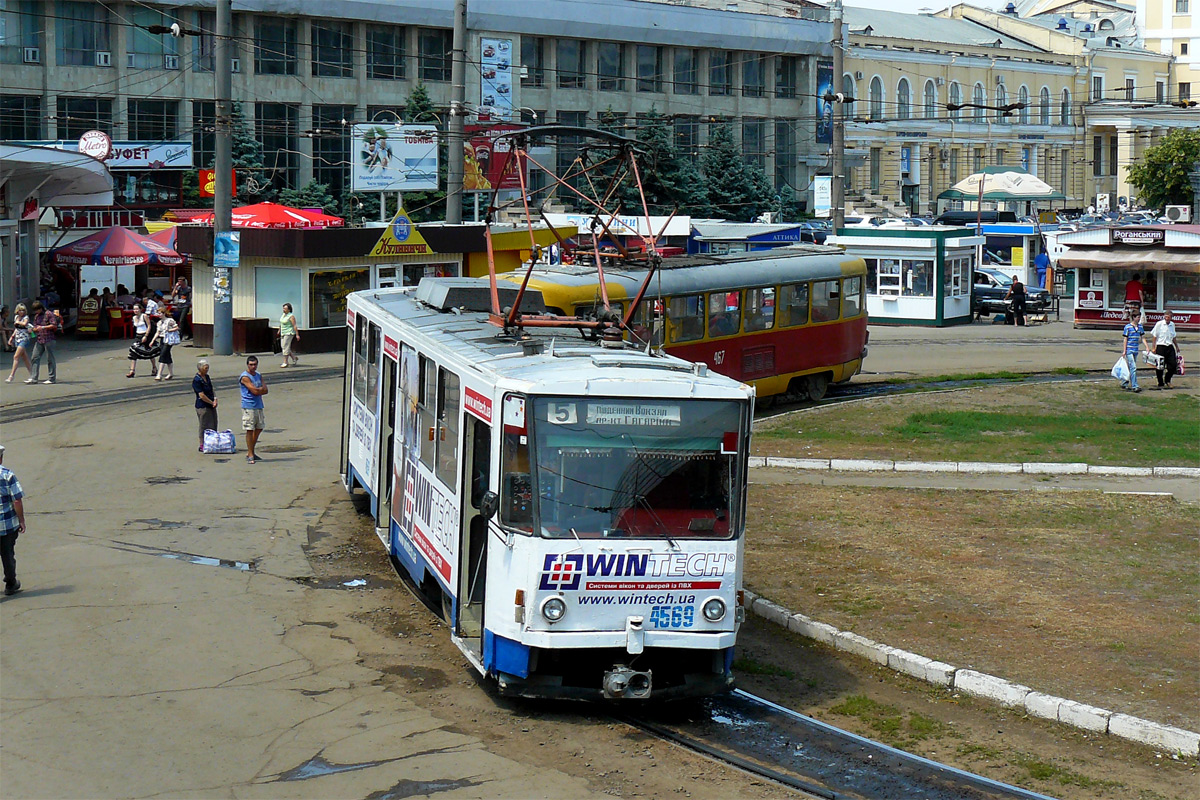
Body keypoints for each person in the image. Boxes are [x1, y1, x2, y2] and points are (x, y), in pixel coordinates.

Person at [0, 444, 26, 597]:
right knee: (8, 554)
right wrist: (21, 520)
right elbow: (17, 500)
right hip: (7, 525)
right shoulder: (7, 475)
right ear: (1, 458)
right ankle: (10, 584)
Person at [239, 356, 269, 464]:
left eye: (255, 364)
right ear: (247, 365)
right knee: (250, 429)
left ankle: (250, 450)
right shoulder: (245, 377)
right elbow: (254, 391)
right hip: (249, 405)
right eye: (251, 364)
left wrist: (259, 390)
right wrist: (259, 390)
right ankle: (250, 453)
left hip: (259, 405)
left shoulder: (258, 375)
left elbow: (266, 390)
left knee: (259, 427)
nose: (253, 366)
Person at [26, 300, 58, 385]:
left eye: (37, 310)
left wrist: (43, 327)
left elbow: (54, 325)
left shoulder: (48, 314)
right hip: (40, 339)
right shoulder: (36, 316)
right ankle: (34, 378)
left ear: (41, 308)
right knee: (34, 357)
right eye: (35, 310)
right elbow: (36, 327)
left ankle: (52, 378)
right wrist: (32, 329)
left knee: (50, 359)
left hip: (49, 339)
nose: (36, 312)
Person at [126, 303, 160, 378]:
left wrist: (146, 336)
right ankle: (132, 371)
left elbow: (149, 326)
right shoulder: (134, 317)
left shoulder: (144, 316)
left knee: (150, 353)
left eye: (137, 309)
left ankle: (154, 368)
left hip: (146, 335)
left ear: (140, 309)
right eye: (134, 309)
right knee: (133, 352)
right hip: (138, 336)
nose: (135, 311)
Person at [1149, 309, 1180, 390]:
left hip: (1169, 346)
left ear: (1171, 318)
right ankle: (1160, 382)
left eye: (1168, 317)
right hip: (1160, 346)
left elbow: (1173, 336)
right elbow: (1154, 336)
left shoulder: (1172, 325)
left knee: (1173, 365)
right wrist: (1153, 347)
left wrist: (1176, 346)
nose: (1166, 319)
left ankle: (1167, 380)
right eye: (1165, 317)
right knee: (1160, 366)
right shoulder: (1159, 324)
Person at [193, 359, 218, 452]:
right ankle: (202, 444)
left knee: (213, 423)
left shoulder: (207, 377)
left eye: (208, 368)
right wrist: (211, 402)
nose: (207, 369)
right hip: (202, 406)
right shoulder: (197, 380)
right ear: (200, 368)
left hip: (211, 404)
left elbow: (211, 389)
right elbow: (201, 395)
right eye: (205, 368)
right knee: (204, 425)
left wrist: (215, 399)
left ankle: (212, 442)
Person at [1121, 310, 1147, 393]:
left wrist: (1147, 347)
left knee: (1130, 367)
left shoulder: (1140, 327)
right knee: (1133, 367)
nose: (1139, 319)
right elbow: (1125, 339)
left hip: (1135, 349)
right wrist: (1124, 350)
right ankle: (1134, 385)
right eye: (1138, 317)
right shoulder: (1128, 327)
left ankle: (1124, 382)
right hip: (1129, 349)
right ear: (1134, 317)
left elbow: (1143, 337)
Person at [6, 303, 33, 383]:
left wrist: (18, 322)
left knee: (16, 356)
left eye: (23, 310)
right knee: (25, 358)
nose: (22, 312)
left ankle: (11, 376)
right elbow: (16, 329)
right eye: (20, 310)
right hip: (18, 338)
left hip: (24, 339)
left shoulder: (26, 317)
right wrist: (11, 337)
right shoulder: (16, 317)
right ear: (17, 311)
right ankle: (32, 374)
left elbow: (25, 323)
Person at [151, 312, 181, 381]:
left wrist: (169, 330)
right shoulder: (159, 322)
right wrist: (152, 340)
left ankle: (159, 374)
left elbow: (176, 328)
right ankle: (171, 373)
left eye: (160, 313)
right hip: (162, 339)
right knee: (167, 356)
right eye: (158, 313)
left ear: (164, 313)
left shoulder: (170, 320)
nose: (159, 315)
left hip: (169, 339)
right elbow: (158, 332)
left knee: (163, 355)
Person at [278, 303, 300, 368]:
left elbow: (294, 325)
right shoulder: (283, 315)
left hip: (289, 333)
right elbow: (281, 323)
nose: (283, 310)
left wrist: (297, 334)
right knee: (283, 346)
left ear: (289, 309)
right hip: (283, 332)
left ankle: (285, 362)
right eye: (283, 308)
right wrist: (279, 330)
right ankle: (294, 358)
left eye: (285, 308)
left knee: (285, 347)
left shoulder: (291, 316)